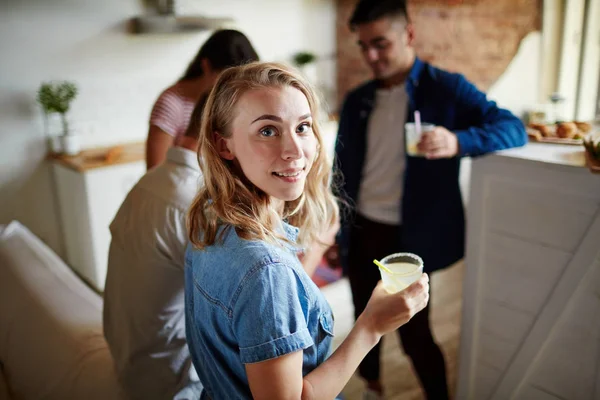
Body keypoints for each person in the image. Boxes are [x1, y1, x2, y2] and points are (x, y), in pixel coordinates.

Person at [184, 61, 430, 400]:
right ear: (224, 145)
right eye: (267, 131)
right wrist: (371, 326)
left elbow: (264, 309)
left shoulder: (209, 218)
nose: (295, 151)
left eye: (303, 127)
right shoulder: (266, 272)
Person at [333, 1, 527, 399]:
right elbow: (342, 173)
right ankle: (373, 388)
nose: (370, 56)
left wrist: (458, 141)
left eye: (381, 44)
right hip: (361, 227)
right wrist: (338, 233)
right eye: (364, 45)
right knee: (360, 319)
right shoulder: (358, 100)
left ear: (409, 35)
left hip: (409, 236)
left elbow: (512, 128)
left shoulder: (446, 88)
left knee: (413, 333)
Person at [103, 95, 208, 400]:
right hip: (175, 382)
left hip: (129, 358)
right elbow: (250, 315)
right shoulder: (195, 205)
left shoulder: (149, 181)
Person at [146, 29, 259, 169]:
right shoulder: (171, 104)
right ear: (206, 66)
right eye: (225, 79)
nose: (230, 90)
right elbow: (155, 172)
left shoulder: (239, 102)